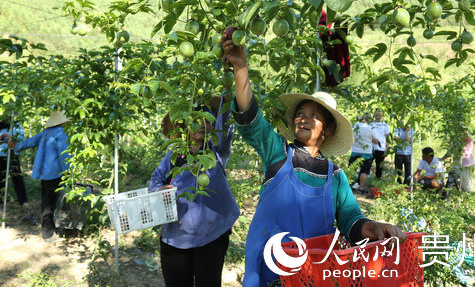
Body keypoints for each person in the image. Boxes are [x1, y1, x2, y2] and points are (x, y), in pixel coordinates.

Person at [222, 31, 406, 287]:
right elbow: (252, 119)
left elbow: (351, 220)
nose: (303, 118)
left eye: (313, 115)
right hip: (268, 270)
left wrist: (373, 227)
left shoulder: (336, 177)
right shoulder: (278, 154)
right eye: (299, 113)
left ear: (327, 130)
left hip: (311, 275)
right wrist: (240, 68)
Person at [148, 95, 239, 287]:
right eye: (196, 119)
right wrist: (159, 189)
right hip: (176, 237)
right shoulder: (175, 155)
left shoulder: (216, 151)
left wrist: (229, 85)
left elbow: (226, 125)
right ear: (185, 125)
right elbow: (155, 179)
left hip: (211, 236)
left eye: (208, 119)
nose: (203, 124)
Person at [8, 110, 71, 239]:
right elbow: (64, 155)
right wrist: (69, 173)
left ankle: (47, 232)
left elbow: (30, 142)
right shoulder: (61, 133)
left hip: (45, 174)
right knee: (59, 202)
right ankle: (58, 230)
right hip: (56, 173)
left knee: (47, 202)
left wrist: (16, 146)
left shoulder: (46, 133)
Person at [0, 120, 28, 207]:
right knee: (0, 179)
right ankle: (3, 201)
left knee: (17, 178)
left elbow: (21, 140)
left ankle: (23, 201)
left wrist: (11, 139)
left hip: (12, 156)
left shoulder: (16, 125)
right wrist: (0, 138)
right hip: (0, 156)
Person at [349, 112, 379, 194]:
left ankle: (346, 186)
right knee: (364, 171)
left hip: (355, 151)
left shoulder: (355, 126)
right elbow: (376, 141)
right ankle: (361, 189)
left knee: (351, 169)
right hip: (366, 153)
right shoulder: (370, 128)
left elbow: (350, 136)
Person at [371, 108, 390, 179]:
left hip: (381, 148)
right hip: (371, 148)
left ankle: (377, 181)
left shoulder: (385, 125)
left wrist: (386, 149)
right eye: (376, 113)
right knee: (367, 164)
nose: (378, 115)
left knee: (379, 166)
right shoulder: (371, 124)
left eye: (380, 113)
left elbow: (387, 138)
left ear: (382, 114)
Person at [460, 128, 475, 192]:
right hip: (458, 164)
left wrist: (462, 128)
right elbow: (452, 150)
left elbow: (467, 137)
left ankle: (469, 199)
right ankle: (463, 199)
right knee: (460, 184)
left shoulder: (466, 136)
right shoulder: (456, 138)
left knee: (465, 185)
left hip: (466, 164)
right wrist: (442, 158)